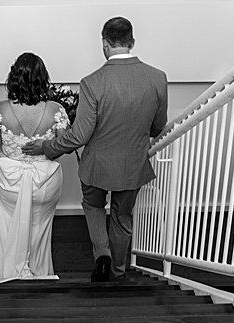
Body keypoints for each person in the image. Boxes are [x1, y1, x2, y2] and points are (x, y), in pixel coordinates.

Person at [22, 17, 168, 282]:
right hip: (132, 165)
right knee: (122, 217)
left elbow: (78, 136)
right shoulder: (158, 78)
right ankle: (118, 271)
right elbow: (158, 127)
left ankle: (102, 255)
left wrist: (47, 147)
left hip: (97, 165)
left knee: (93, 206)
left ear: (104, 43)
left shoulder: (92, 82)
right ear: (132, 42)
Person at [0, 52, 71, 284]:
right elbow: (63, 147)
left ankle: (7, 271)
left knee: (8, 222)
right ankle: (39, 270)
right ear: (43, 79)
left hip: (11, 183)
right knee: (39, 226)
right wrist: (44, 147)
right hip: (45, 182)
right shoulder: (56, 110)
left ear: (13, 78)